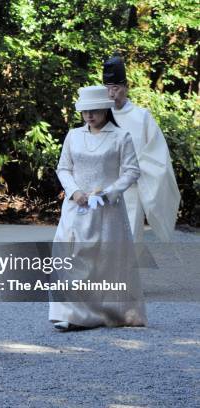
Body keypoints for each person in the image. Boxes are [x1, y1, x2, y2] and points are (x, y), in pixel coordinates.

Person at [49, 85, 147, 331]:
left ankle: (105, 310)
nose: (89, 116)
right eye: (85, 111)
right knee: (68, 255)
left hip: (106, 209)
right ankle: (70, 313)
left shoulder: (120, 136)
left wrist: (108, 192)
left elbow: (132, 171)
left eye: (94, 111)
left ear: (105, 108)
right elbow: (64, 168)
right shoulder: (73, 135)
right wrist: (74, 191)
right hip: (76, 206)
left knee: (103, 260)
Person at [103, 53, 180, 242]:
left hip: (131, 189)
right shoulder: (99, 116)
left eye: (116, 88)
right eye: (108, 89)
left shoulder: (142, 117)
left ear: (126, 88)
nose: (112, 94)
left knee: (129, 240)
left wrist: (135, 170)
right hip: (102, 185)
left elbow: (158, 157)